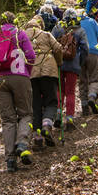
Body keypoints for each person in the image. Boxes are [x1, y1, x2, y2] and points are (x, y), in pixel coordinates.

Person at [0, 12, 36, 171]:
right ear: (14, 21)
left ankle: (10, 160)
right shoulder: (20, 34)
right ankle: (22, 143)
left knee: (8, 119)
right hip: (20, 76)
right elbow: (31, 56)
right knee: (26, 113)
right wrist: (27, 72)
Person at [25, 12, 63, 148]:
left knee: (35, 104)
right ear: (40, 25)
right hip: (48, 70)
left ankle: (37, 137)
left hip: (31, 72)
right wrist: (58, 62)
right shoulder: (46, 34)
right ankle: (47, 125)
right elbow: (58, 48)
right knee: (51, 101)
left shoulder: (22, 37)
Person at [52, 8, 89, 131]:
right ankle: (69, 119)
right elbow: (85, 48)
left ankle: (58, 114)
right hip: (73, 65)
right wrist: (81, 62)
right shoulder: (80, 30)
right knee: (71, 92)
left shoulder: (57, 28)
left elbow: (51, 45)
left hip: (59, 64)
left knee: (60, 90)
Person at [78, 7, 98, 114]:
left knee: (82, 80)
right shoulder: (92, 21)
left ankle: (84, 105)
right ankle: (92, 97)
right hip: (93, 52)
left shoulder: (76, 25)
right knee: (94, 78)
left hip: (80, 54)